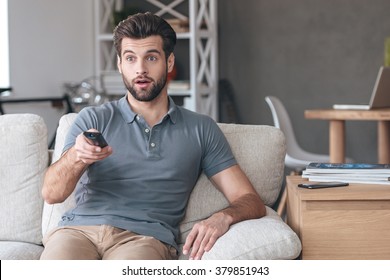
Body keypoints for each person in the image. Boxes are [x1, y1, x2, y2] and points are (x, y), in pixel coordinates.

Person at [40, 12, 266, 260]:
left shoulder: (200, 128)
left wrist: (222, 217)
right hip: (77, 231)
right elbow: (52, 194)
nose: (140, 69)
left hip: (143, 238)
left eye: (151, 57)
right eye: (130, 58)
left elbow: (249, 199)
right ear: (119, 65)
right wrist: (77, 156)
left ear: (169, 63)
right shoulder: (93, 119)